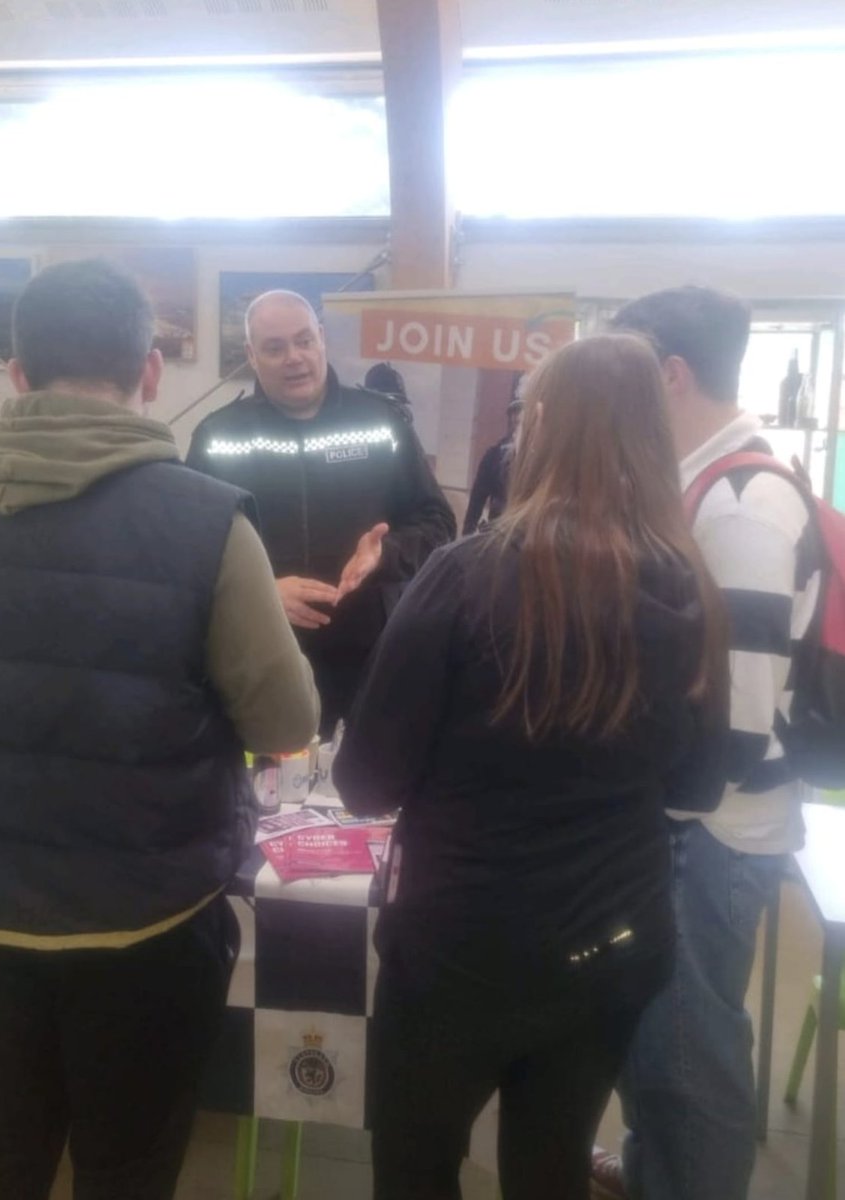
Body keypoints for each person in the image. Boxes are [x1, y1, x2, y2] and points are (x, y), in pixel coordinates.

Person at [0, 259, 319, 1200]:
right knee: (126, 1167)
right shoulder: (205, 523)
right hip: (150, 917)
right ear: (149, 375)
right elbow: (286, 720)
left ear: (14, 375)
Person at [333, 334, 729, 1200]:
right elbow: (697, 786)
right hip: (612, 942)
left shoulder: (462, 575)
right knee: (549, 1170)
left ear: (539, 425)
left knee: (414, 1168)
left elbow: (364, 782)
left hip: (458, 946)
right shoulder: (686, 584)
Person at [591, 286, 822, 1200]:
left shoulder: (739, 506)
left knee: (691, 1052)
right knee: (661, 1038)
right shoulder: (705, 485)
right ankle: (655, 1173)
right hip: (695, 821)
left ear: (670, 375)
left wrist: (652, 818)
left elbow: (736, 719)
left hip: (710, 829)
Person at [186, 290, 455, 734]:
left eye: (304, 340)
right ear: (252, 356)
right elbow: (189, 551)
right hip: (261, 655)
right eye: (275, 347)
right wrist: (262, 591)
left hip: (369, 659)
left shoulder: (381, 421)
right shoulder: (218, 436)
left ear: (322, 340)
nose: (294, 357)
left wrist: (384, 554)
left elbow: (438, 522)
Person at [462, 396, 522, 534]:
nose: (517, 418)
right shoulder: (494, 454)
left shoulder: (542, 458)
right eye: (515, 413)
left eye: (522, 413)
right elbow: (478, 495)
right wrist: (468, 530)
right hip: (498, 528)